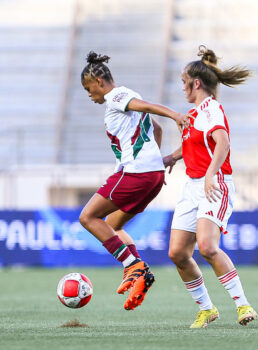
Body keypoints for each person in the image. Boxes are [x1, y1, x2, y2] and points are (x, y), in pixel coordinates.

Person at [78, 51, 189, 310]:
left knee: (88, 217)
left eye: (88, 88)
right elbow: (156, 129)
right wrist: (158, 162)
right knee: (113, 225)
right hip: (151, 175)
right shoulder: (126, 95)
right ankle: (143, 273)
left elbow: (150, 108)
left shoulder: (116, 96)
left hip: (134, 173)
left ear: (98, 80)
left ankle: (132, 266)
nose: (89, 94)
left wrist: (175, 115)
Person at [164, 46, 257, 328]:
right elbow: (194, 144)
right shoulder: (193, 114)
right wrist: (172, 156)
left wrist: (210, 174)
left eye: (184, 82)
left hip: (214, 184)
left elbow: (223, 142)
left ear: (196, 83)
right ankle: (207, 309)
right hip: (192, 186)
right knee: (177, 253)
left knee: (206, 246)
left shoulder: (212, 108)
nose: (182, 87)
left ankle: (243, 305)